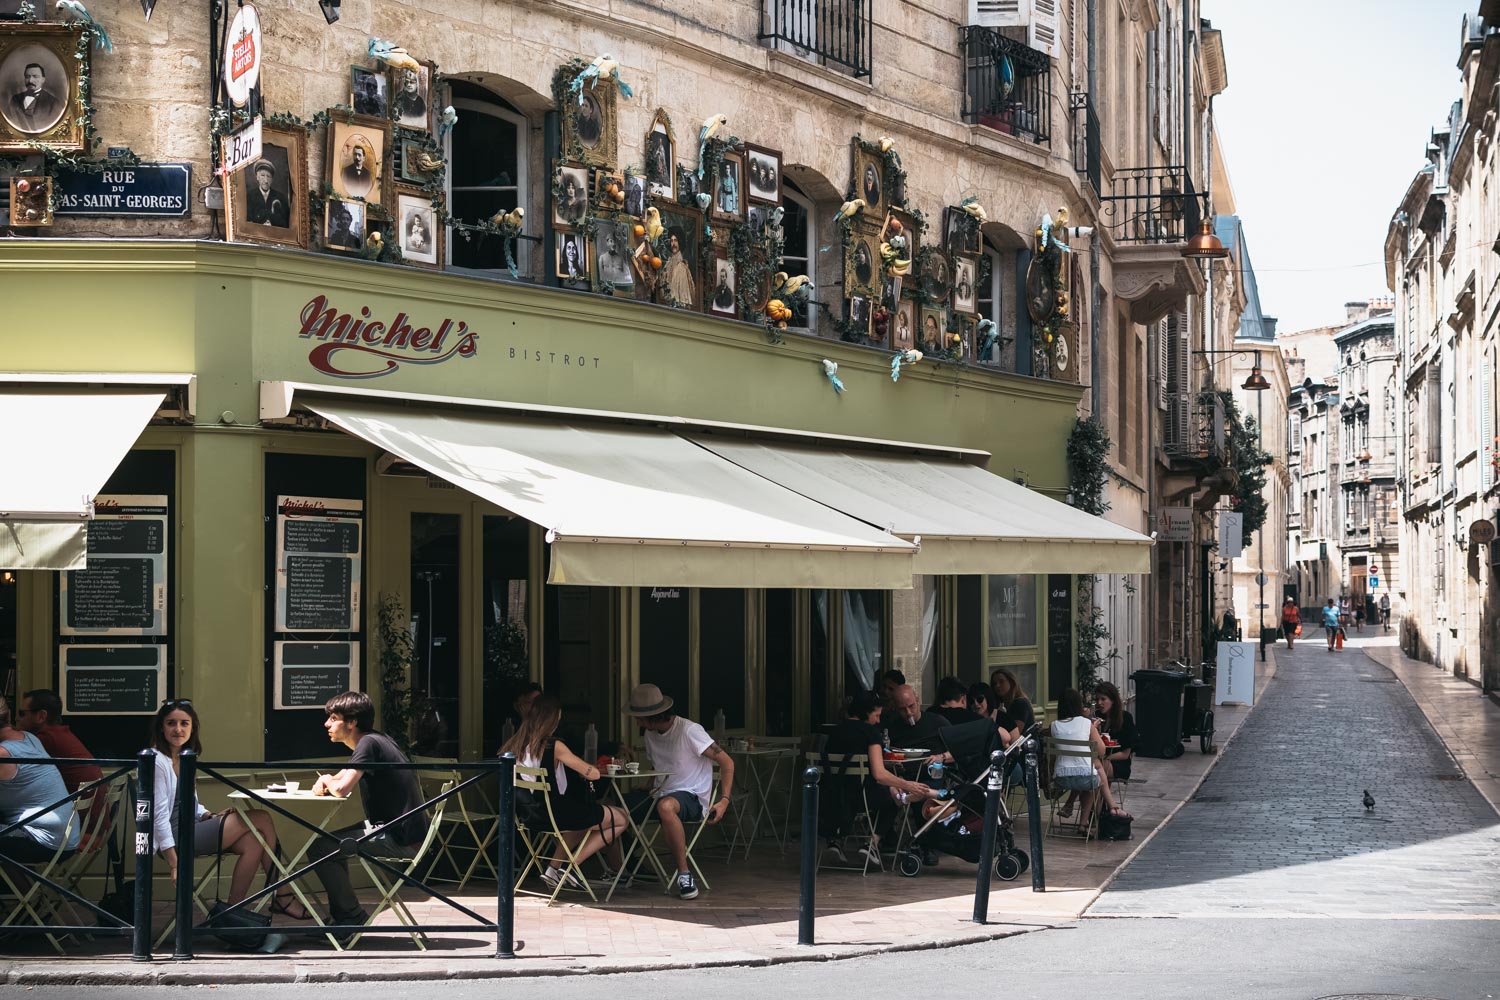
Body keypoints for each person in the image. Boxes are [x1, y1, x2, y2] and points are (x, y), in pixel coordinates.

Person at [145, 700, 307, 917]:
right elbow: (158, 818)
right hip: (176, 838)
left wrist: (208, 815)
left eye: (184, 723)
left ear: (192, 727)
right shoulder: (157, 761)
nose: (178, 729)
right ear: (161, 727)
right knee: (262, 817)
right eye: (171, 723)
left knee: (254, 841)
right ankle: (283, 896)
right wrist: (175, 864)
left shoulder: (185, 757)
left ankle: (231, 913)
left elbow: (190, 803)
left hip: (191, 827)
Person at [309, 691, 427, 928]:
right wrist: (329, 779)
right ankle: (344, 918)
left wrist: (328, 780)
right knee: (329, 845)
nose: (327, 724)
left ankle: (350, 918)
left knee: (322, 849)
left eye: (334, 718)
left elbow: (341, 788)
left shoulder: (368, 743)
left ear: (352, 722)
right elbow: (341, 777)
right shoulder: (374, 740)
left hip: (399, 838)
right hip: (401, 832)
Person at [503, 695, 627, 890]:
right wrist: (595, 768)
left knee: (583, 820)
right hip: (555, 813)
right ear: (552, 720)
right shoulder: (554, 746)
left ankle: (554, 868)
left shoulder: (513, 746)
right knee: (621, 818)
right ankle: (571, 866)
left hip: (528, 815)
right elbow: (592, 774)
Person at [624, 684, 734, 900]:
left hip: (690, 795)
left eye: (639, 717)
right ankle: (625, 868)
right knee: (612, 808)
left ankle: (684, 874)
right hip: (659, 792)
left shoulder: (689, 731)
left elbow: (727, 762)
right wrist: (648, 784)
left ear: (653, 715)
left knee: (665, 807)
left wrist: (724, 800)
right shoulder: (649, 733)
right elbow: (659, 764)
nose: (636, 721)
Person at [820, 690, 938, 867]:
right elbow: (879, 774)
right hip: (863, 797)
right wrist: (907, 784)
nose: (878, 720)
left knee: (866, 788)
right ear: (867, 712)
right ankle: (872, 843)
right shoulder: (870, 733)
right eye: (876, 715)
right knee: (895, 797)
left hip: (832, 794)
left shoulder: (834, 732)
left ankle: (835, 841)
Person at [0, 695, 78, 864]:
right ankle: (31, 892)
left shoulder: (4, 754)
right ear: (7, 716)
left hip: (43, 841)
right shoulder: (30, 738)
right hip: (67, 838)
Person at [1050, 688, 1129, 825]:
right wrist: (1092, 728)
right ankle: (1110, 808)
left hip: (1060, 780)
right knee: (1095, 768)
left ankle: (1080, 818)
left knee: (1093, 768)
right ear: (1078, 705)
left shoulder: (1054, 726)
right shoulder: (1086, 723)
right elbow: (1102, 751)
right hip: (1086, 779)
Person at [17, 689, 101, 795]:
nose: (17, 718)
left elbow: (17, 773)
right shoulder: (60, 734)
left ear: (41, 716)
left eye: (22, 714)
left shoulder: (46, 739)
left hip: (75, 810)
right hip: (90, 808)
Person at [883, 684, 951, 753]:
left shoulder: (938, 722)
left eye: (911, 706)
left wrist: (942, 757)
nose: (908, 713)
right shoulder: (892, 728)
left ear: (917, 701)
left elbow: (956, 751)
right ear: (896, 709)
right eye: (902, 709)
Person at [1091, 682, 1136, 783]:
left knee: (1095, 768)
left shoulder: (1125, 718)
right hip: (1100, 760)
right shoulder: (1097, 717)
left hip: (1119, 763)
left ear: (1113, 700)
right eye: (1097, 699)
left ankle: (1103, 799)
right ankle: (1102, 799)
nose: (1099, 703)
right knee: (1088, 768)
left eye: (1103, 699)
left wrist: (1104, 758)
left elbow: (1125, 754)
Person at [8, 62, 62, 133]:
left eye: (35, 76)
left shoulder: (53, 102)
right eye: (27, 77)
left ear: (43, 79)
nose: (30, 81)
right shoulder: (15, 99)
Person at [991, 668, 1035, 744]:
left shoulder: (1020, 703)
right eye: (995, 683)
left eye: (1001, 681)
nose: (997, 685)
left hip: (1024, 748)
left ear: (1011, 682)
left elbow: (1015, 733)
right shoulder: (1002, 704)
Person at [245, 159, 290, 228]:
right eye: (262, 175)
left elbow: (286, 223)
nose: (266, 181)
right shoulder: (249, 196)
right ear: (257, 177)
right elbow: (247, 222)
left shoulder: (280, 198)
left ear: (272, 180)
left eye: (268, 176)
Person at [662, 230, 695, 305]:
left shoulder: (682, 267)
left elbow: (684, 298)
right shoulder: (667, 265)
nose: (673, 244)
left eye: (675, 240)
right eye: (671, 241)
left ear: (679, 242)